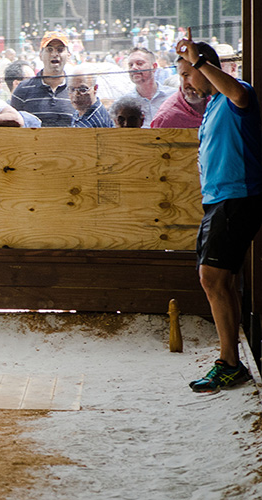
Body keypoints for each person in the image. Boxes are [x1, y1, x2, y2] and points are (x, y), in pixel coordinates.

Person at [177, 32, 262, 393]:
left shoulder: (233, 95)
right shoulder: (212, 106)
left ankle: (229, 362)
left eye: (188, 73)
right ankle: (231, 360)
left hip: (238, 197)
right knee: (219, 279)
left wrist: (199, 61)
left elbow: (241, 95)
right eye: (182, 75)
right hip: (219, 200)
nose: (186, 82)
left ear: (206, 67)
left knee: (211, 277)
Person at [11, 31, 74, 127]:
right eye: (49, 49)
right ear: (40, 55)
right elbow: (13, 126)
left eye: (60, 50)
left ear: (68, 55)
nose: (54, 54)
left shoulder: (77, 91)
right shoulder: (23, 90)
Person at [124, 48, 176, 128]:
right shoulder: (124, 103)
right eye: (130, 65)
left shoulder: (174, 97)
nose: (134, 68)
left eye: (140, 63)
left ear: (154, 67)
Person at [150, 57, 208, 128]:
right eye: (181, 77)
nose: (185, 85)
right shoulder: (166, 118)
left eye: (187, 75)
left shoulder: (221, 101)